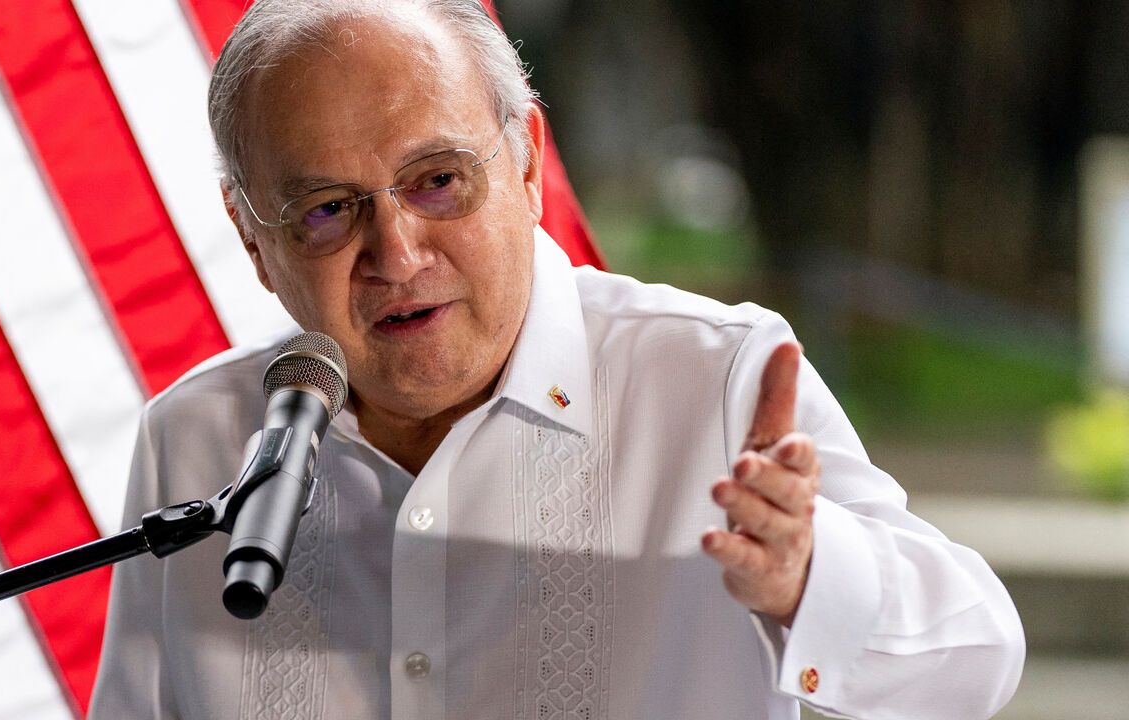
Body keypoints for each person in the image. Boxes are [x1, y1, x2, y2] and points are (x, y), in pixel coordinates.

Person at [88, 0, 1025, 718]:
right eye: (328, 209)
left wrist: (814, 576)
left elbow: (979, 659)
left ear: (527, 162)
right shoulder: (197, 437)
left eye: (439, 181)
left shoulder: (716, 380)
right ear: (254, 242)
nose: (398, 254)